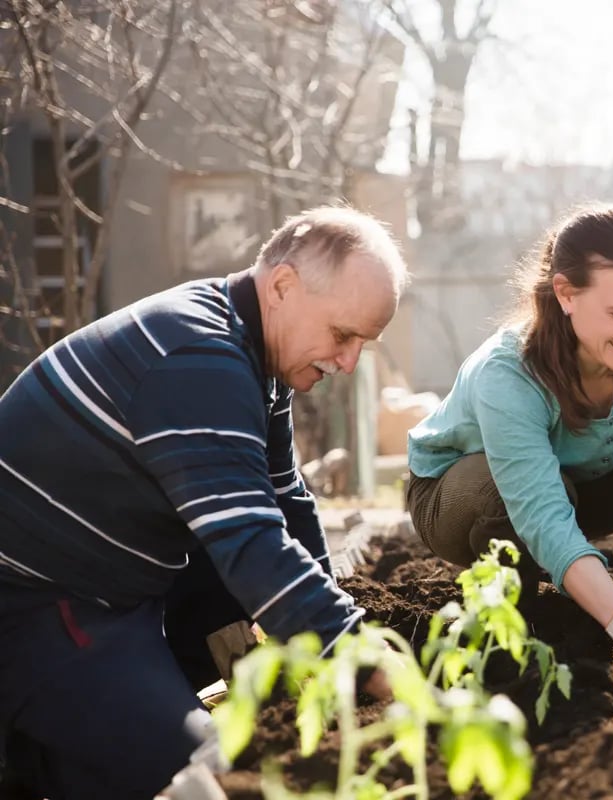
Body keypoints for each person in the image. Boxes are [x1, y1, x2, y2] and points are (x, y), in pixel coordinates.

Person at [0, 206, 406, 799]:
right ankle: (47, 745)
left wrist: (340, 619)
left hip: (120, 585)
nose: (348, 362)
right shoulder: (198, 357)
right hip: (39, 599)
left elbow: (284, 498)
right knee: (204, 779)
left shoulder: (247, 353)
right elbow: (250, 542)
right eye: (343, 335)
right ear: (283, 287)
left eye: (362, 344)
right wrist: (369, 664)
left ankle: (93, 731)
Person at [406, 204, 613, 694]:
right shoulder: (508, 372)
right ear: (566, 294)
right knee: (506, 495)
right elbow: (542, 512)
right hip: (462, 499)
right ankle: (511, 628)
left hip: (583, 483)